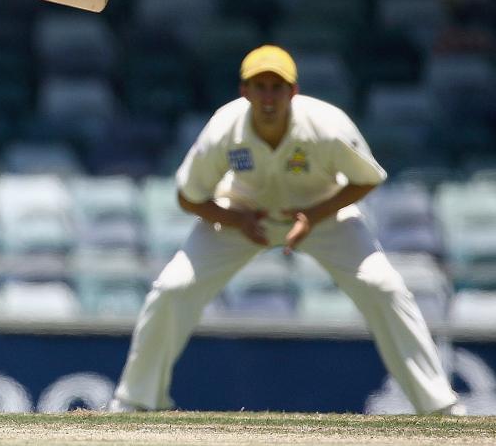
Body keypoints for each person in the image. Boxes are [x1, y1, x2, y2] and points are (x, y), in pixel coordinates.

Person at [109, 45, 463, 416]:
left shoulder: (327, 126)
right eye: (259, 86)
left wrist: (313, 215)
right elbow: (188, 197)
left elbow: (366, 179)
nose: (268, 97)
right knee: (172, 288)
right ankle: (136, 401)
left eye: (276, 87)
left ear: (293, 91)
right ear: (244, 91)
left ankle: (438, 408)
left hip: (323, 215)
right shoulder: (223, 130)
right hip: (242, 215)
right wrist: (238, 221)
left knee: (384, 287)